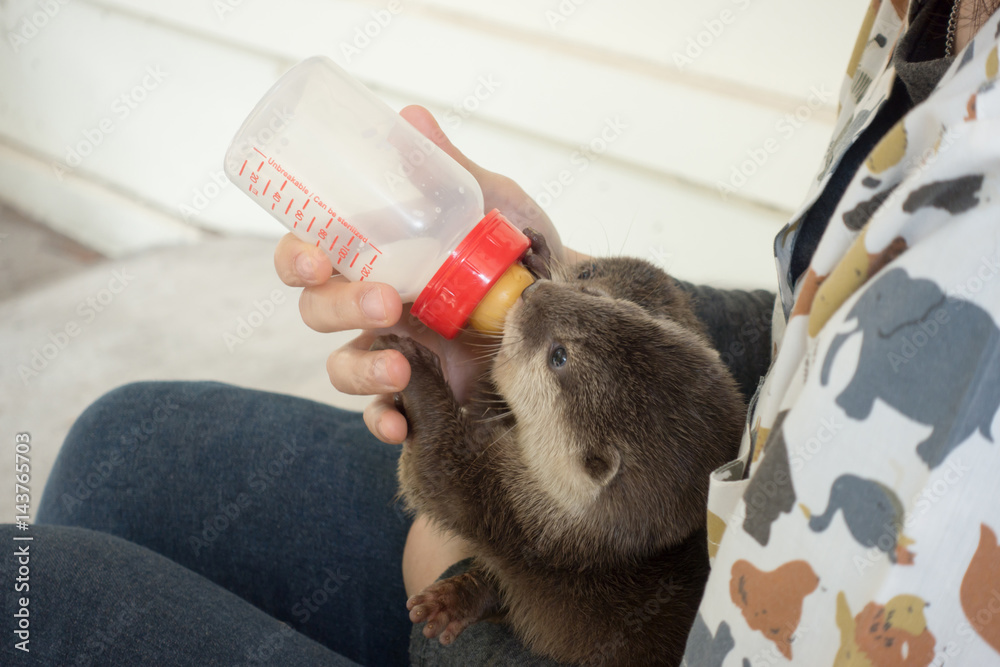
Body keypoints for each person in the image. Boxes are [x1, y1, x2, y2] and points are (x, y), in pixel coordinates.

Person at [4, 0, 1000, 664]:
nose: (533, 302)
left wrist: (453, 581)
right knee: (120, 447)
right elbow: (816, 336)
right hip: (695, 533)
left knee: (25, 596)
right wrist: (565, 281)